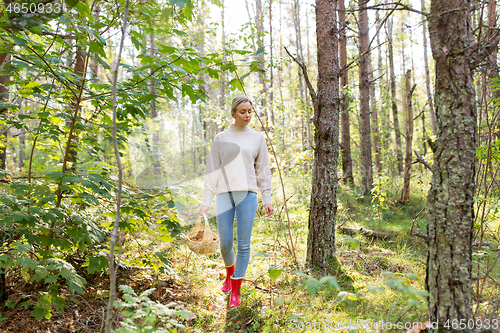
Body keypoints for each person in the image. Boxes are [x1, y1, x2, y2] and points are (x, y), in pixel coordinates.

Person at [199, 96, 273, 309]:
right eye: (242, 111)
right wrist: (206, 200)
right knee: (224, 243)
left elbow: (263, 171)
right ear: (233, 113)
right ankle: (229, 274)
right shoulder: (221, 138)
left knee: (243, 244)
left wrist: (266, 197)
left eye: (250, 111)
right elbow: (211, 171)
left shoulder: (257, 138)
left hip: (248, 195)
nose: (247, 115)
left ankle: (236, 290)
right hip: (224, 195)